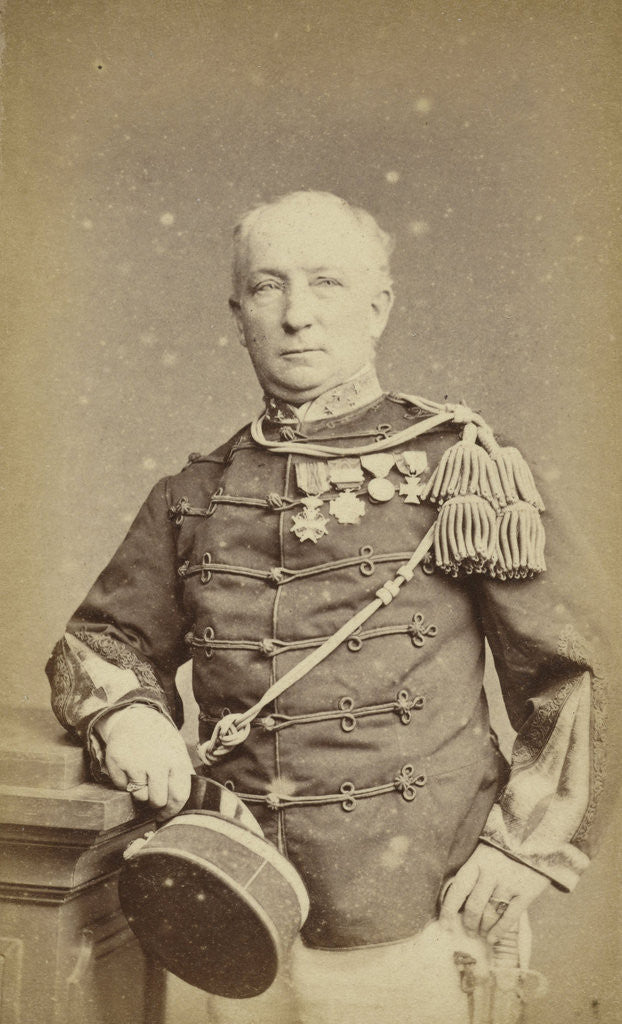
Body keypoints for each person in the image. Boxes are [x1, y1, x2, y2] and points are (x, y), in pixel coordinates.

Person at [47, 190, 606, 1023]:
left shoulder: (466, 470)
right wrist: (127, 715)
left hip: (417, 903)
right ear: (238, 313)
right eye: (268, 287)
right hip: (227, 895)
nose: (297, 315)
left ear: (378, 307)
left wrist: (528, 847)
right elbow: (101, 638)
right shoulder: (194, 494)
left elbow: (576, 673)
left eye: (327, 285)